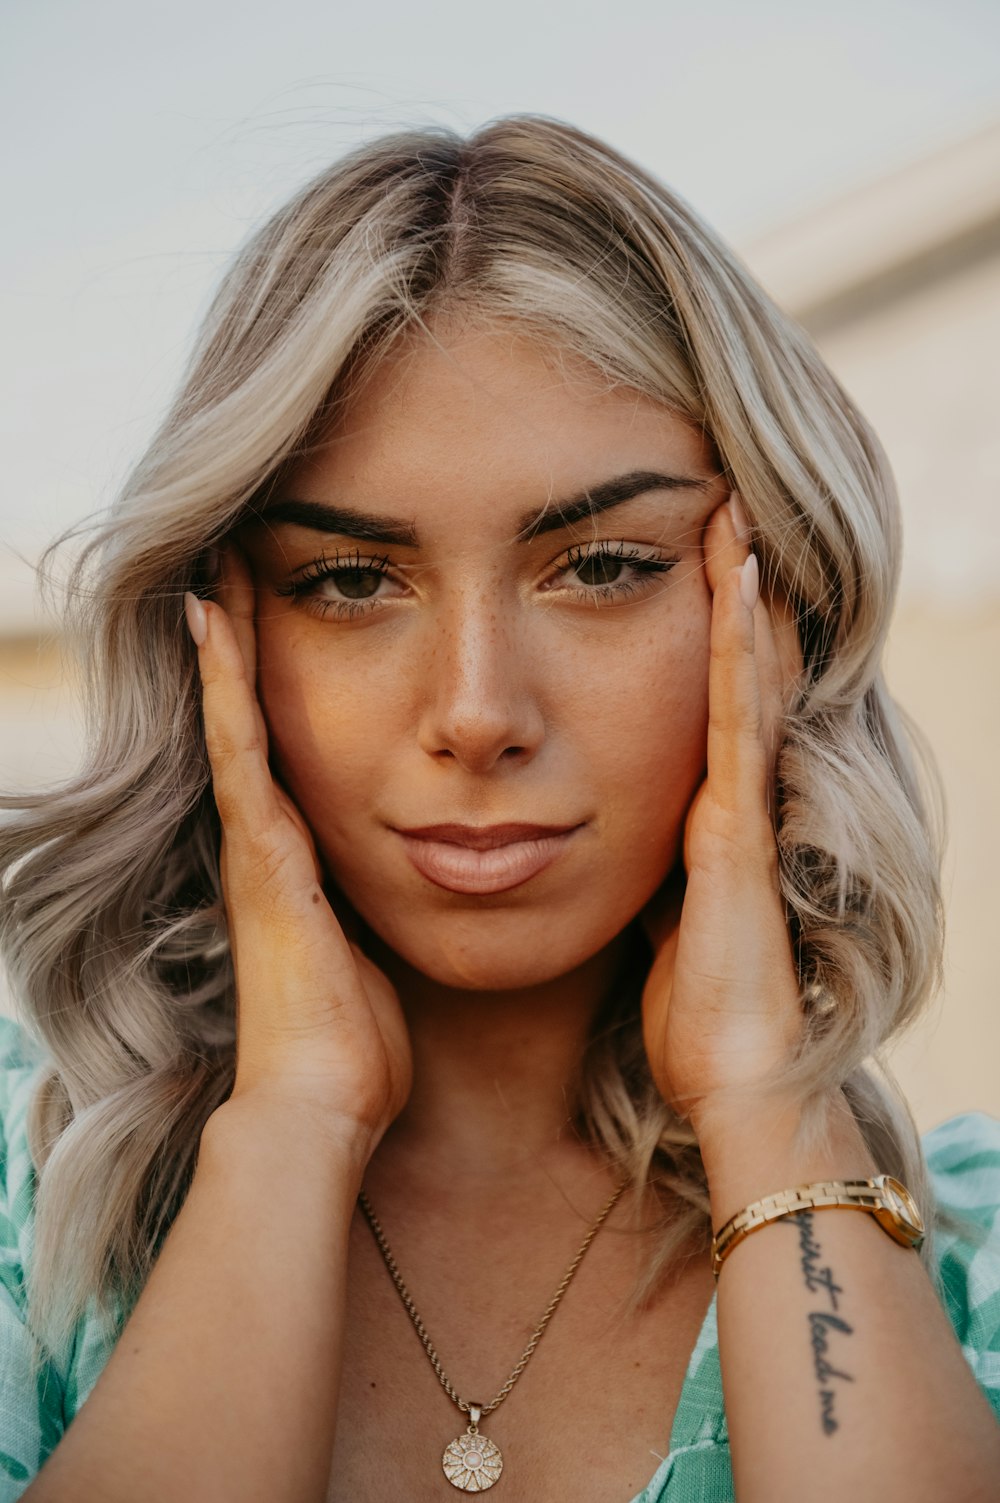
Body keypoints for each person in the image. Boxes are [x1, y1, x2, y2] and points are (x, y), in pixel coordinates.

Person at [0, 116, 997, 1503]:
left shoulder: (973, 1267)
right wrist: (291, 1124)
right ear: (214, 633)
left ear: (783, 615)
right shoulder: (22, 1198)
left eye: (598, 565)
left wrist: (769, 1096)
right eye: (351, 579)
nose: (476, 711)